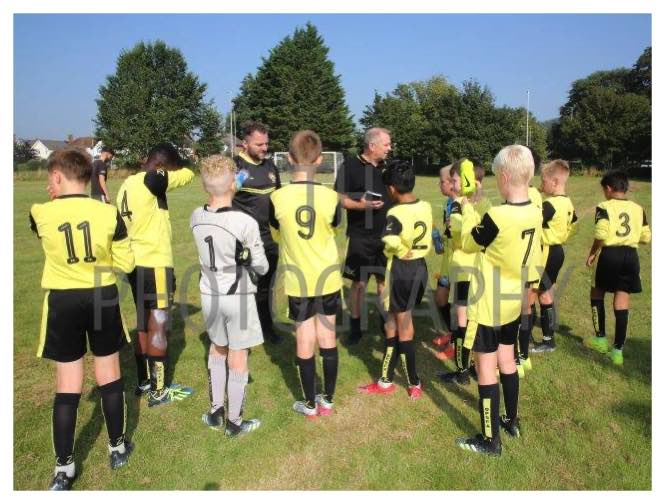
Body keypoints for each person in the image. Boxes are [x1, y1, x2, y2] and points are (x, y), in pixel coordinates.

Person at [30, 149, 135, 490]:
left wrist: (55, 203)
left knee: (67, 383)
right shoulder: (107, 212)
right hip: (101, 293)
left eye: (50, 178)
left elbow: (45, 231)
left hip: (63, 299)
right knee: (109, 372)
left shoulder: (40, 212)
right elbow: (127, 263)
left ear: (57, 177)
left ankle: (64, 468)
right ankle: (117, 449)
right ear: (89, 176)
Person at [455, 145, 542, 456]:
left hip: (489, 303)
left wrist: (466, 207)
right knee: (507, 360)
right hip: (513, 300)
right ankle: (511, 420)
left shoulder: (498, 215)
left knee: (486, 368)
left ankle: (490, 441)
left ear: (504, 176)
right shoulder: (536, 209)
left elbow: (469, 242)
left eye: (496, 177)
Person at [191, 155, 268, 435]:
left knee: (217, 347)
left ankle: (215, 411)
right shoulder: (244, 222)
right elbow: (262, 266)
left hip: (209, 294)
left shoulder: (196, 216)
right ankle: (234, 422)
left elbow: (220, 205)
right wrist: (247, 257)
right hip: (238, 297)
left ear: (204, 186)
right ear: (233, 184)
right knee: (238, 356)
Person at [269, 131, 343, 418]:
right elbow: (334, 228)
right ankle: (328, 400)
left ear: (288, 159)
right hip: (328, 278)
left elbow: (276, 233)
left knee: (304, 339)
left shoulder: (277, 198)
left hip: (298, 280)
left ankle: (310, 404)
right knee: (328, 336)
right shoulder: (331, 197)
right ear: (321, 160)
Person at [117, 143, 195, 407]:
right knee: (158, 322)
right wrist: (184, 166)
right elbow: (187, 175)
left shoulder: (126, 184)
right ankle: (159, 391)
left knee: (142, 322)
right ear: (161, 167)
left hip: (134, 263)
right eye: (169, 170)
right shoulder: (153, 179)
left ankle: (144, 381)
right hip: (156, 263)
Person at [357, 160, 432, 399]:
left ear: (391, 188)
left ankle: (413, 382)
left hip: (402, 270)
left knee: (403, 326)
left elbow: (389, 239)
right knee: (392, 323)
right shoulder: (425, 206)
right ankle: (386, 379)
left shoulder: (396, 212)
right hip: (420, 268)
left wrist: (400, 249)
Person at [585, 170, 651, 366]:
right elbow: (646, 237)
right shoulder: (638, 209)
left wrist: (592, 253)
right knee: (622, 300)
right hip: (630, 257)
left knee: (597, 292)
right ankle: (617, 352)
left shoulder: (604, 206)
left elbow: (601, 234)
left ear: (608, 188)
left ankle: (600, 339)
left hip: (609, 255)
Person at [333, 127, 392, 344]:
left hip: (387, 236)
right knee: (359, 283)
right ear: (372, 145)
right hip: (361, 236)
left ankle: (385, 324)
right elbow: (338, 198)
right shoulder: (350, 166)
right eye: (386, 144)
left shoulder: (387, 167)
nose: (389, 148)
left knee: (384, 281)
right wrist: (361, 205)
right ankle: (355, 328)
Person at [438, 158, 491, 385]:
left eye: (455, 180)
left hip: (463, 269)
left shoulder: (459, 204)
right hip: (478, 269)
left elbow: (459, 239)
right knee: (472, 321)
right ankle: (476, 367)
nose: (452, 184)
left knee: (463, 322)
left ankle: (462, 372)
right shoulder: (485, 203)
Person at [232, 121, 283, 344]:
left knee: (266, 287)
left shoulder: (270, 166)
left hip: (268, 240)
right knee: (242, 288)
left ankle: (266, 328)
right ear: (245, 144)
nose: (265, 148)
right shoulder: (237, 168)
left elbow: (278, 202)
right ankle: (240, 333)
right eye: (259, 144)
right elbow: (224, 200)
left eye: (266, 144)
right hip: (242, 242)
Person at [530, 160, 578, 355]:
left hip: (546, 252)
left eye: (544, 181)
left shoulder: (550, 204)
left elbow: (532, 222)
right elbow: (574, 223)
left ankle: (534, 339)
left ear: (555, 181)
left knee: (534, 294)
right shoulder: (568, 202)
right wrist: (562, 235)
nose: (542, 184)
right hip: (558, 251)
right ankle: (547, 340)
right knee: (545, 294)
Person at [432, 164, 455, 359]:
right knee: (440, 299)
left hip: (459, 263)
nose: (439, 185)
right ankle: (452, 333)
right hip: (447, 260)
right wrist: (437, 238)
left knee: (459, 305)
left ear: (452, 182)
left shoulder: (463, 205)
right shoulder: (448, 203)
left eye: (442, 182)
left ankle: (457, 344)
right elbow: (445, 240)